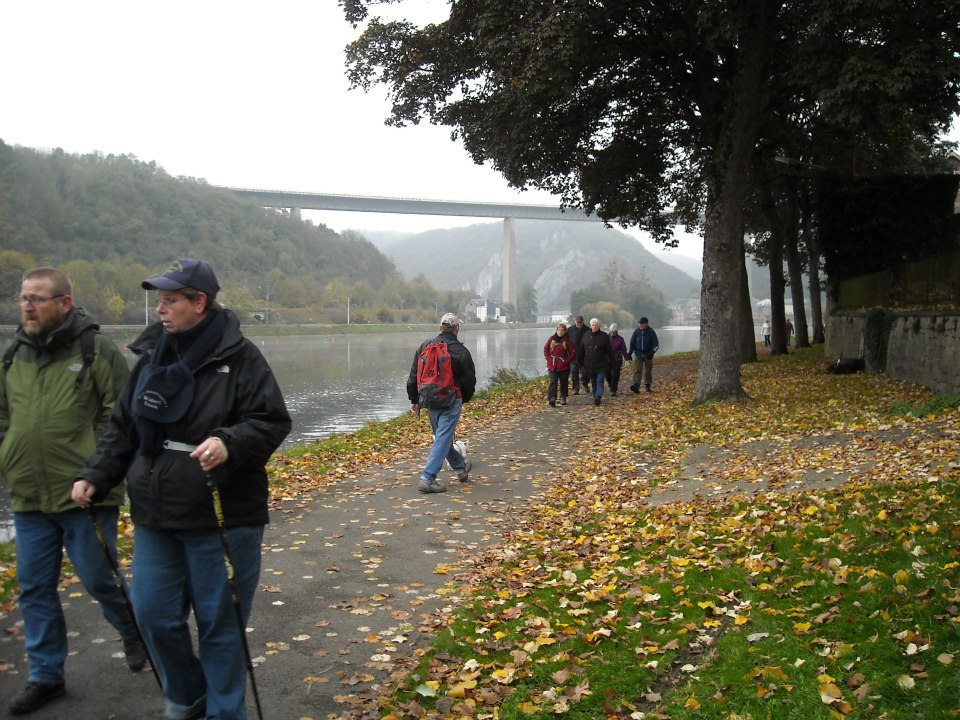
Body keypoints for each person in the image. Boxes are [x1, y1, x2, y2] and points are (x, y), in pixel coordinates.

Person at [71, 259, 291, 720]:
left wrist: (228, 442)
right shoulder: (152, 355)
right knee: (152, 616)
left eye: (170, 301)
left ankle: (224, 712)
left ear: (199, 302)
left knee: (220, 626)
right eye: (160, 301)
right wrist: (96, 474)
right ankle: (189, 698)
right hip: (156, 514)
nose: (160, 310)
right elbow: (124, 427)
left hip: (223, 514)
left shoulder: (241, 357)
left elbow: (271, 420)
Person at [0, 268, 147, 715]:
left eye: (37, 298)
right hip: (29, 494)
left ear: (64, 303)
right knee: (34, 588)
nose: (27, 306)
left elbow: (121, 418)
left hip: (86, 493)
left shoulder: (96, 349)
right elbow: (4, 416)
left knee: (99, 578)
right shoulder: (14, 354)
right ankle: (46, 676)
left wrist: (96, 473)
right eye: (23, 298)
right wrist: (9, 454)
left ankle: (135, 633)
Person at [406, 313, 476, 493]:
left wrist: (414, 399)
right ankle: (427, 479)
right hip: (451, 400)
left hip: (429, 399)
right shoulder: (461, 351)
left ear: (440, 328)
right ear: (457, 328)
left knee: (442, 437)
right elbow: (470, 380)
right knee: (443, 438)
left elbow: (414, 374)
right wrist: (464, 398)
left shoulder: (425, 346)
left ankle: (460, 467)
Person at [578, 318, 612, 406]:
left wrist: (612, 361)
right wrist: (580, 362)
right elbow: (582, 350)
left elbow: (609, 350)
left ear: (599, 326)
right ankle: (595, 397)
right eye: (593, 325)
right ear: (591, 326)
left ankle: (598, 396)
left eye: (596, 325)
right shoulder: (586, 336)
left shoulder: (604, 336)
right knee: (593, 382)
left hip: (601, 363)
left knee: (600, 380)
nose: (594, 327)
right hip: (589, 364)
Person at [543, 322, 576, 407]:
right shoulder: (551, 339)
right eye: (559, 330)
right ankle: (552, 398)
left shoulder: (567, 341)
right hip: (552, 365)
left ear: (565, 331)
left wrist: (565, 361)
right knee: (553, 381)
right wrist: (549, 359)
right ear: (556, 330)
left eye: (562, 330)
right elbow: (546, 349)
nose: (560, 332)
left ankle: (563, 397)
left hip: (563, 366)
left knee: (563, 382)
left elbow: (572, 353)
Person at [629, 317, 660, 393]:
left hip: (648, 354)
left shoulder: (651, 332)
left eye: (642, 323)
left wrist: (652, 352)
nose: (640, 325)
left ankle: (647, 385)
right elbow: (632, 343)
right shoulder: (636, 331)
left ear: (646, 324)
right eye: (640, 323)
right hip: (638, 354)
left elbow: (656, 344)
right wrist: (629, 353)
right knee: (638, 370)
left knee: (648, 370)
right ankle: (636, 386)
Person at [566, 316, 588, 395]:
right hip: (573, 356)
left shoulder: (588, 330)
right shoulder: (570, 330)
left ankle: (585, 383)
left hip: (584, 357)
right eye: (577, 322)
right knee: (574, 373)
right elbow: (564, 340)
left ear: (583, 322)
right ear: (575, 322)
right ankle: (576, 389)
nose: (579, 324)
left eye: (580, 322)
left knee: (585, 373)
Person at [607, 323, 630, 396]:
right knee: (607, 375)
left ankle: (613, 390)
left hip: (617, 359)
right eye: (611, 332)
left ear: (617, 331)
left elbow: (624, 350)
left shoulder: (620, 339)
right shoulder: (606, 338)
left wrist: (627, 359)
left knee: (615, 375)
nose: (612, 333)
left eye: (613, 332)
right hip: (607, 359)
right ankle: (611, 384)